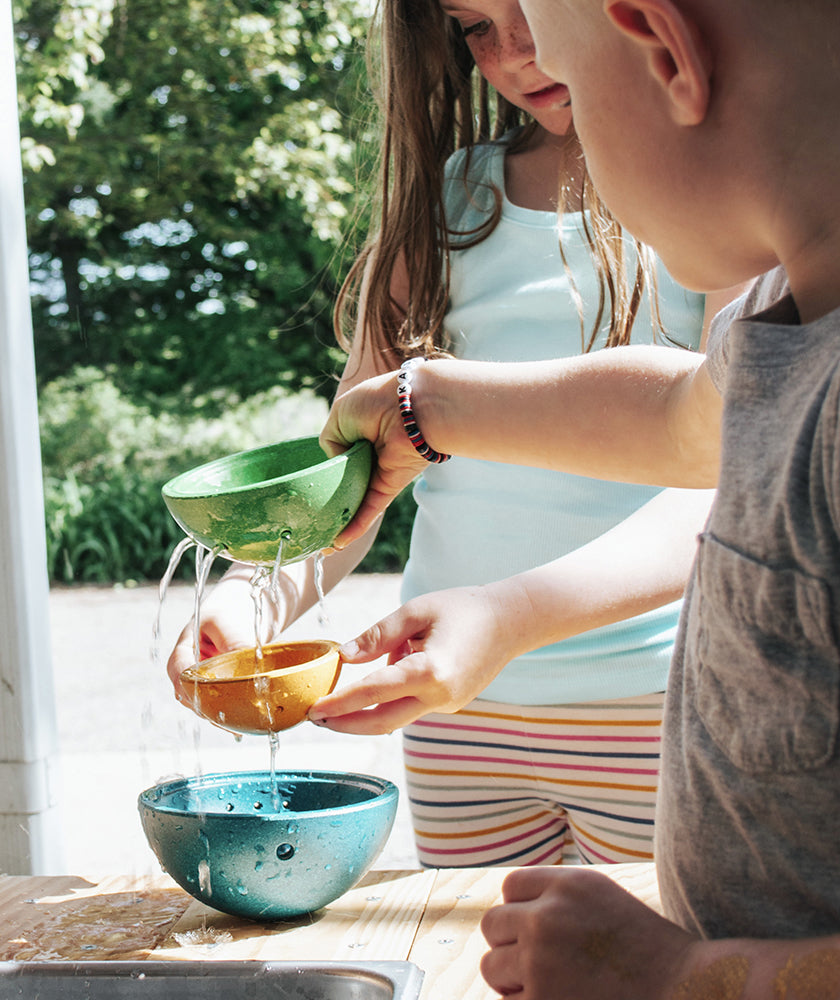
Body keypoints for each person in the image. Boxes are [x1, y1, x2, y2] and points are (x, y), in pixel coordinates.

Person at [320, 0, 840, 992]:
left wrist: (683, 977)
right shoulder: (782, 323)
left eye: (555, 53)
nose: (517, 67)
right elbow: (689, 415)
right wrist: (424, 404)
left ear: (662, 47)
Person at [168, 0, 727, 868]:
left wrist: (507, 619)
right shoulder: (447, 202)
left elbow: (730, 472)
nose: (513, 54)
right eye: (474, 28)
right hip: (457, 717)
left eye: (528, 10)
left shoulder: (710, 184)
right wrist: (253, 597)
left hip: (654, 703)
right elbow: (352, 469)